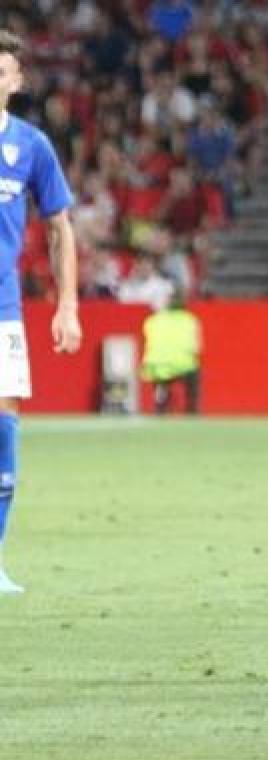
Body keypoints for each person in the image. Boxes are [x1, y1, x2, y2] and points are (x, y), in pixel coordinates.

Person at [0, 29, 82, 594]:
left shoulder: (31, 146)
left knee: (4, 431)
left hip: (2, 309)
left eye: (3, 71)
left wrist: (68, 305)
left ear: (17, 80)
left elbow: (59, 229)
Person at [141, 291, 202, 415]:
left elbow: (148, 340)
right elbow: (196, 348)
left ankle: (160, 405)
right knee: (194, 372)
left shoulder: (153, 320)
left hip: (156, 365)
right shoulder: (190, 320)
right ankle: (192, 410)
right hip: (183, 365)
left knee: (161, 380)